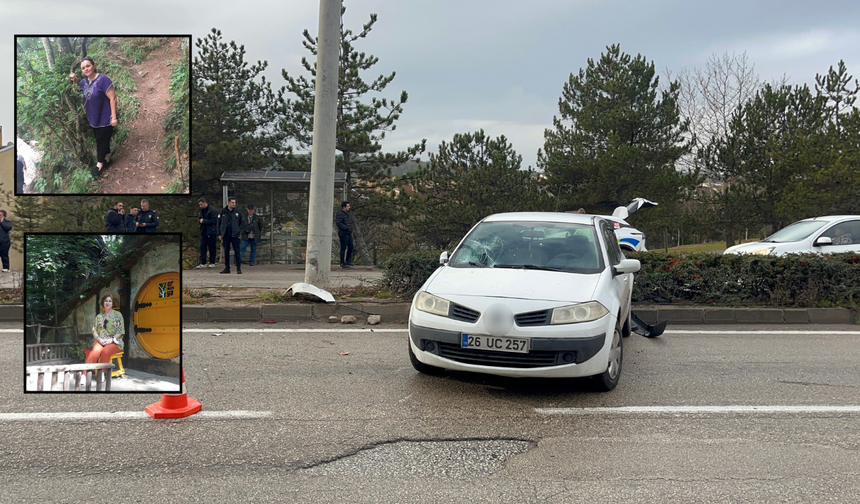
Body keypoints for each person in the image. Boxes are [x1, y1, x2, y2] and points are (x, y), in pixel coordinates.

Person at [69, 57, 117, 175]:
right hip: (93, 118)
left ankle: (99, 164)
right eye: (83, 68)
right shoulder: (84, 82)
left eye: (88, 66)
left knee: (100, 141)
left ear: (94, 66)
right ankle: (107, 159)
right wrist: (75, 80)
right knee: (101, 139)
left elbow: (113, 98)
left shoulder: (103, 80)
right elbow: (78, 91)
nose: (86, 69)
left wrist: (114, 117)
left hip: (105, 117)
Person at [84, 294, 124, 381]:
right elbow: (94, 330)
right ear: (103, 303)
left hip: (114, 341)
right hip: (101, 340)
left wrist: (111, 339)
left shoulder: (118, 315)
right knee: (95, 351)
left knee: (105, 351)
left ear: (112, 303)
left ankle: (101, 373)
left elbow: (120, 331)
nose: (108, 303)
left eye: (110, 301)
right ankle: (85, 373)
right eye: (106, 301)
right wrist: (99, 339)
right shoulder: (99, 316)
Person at [218, 197, 242, 274]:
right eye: (232, 202)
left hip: (235, 235)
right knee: (226, 251)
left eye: (235, 202)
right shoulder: (223, 211)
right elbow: (218, 223)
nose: (234, 204)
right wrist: (219, 233)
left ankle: (238, 268)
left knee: (237, 252)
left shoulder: (237, 212)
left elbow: (242, 222)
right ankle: (227, 268)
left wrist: (238, 230)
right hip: (226, 234)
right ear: (228, 203)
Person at [197, 197, 218, 269]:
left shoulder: (212, 210)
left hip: (211, 231)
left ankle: (212, 262)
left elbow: (214, 221)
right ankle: (203, 262)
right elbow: (200, 218)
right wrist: (200, 221)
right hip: (204, 231)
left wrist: (204, 221)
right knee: (203, 247)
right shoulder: (201, 210)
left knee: (212, 247)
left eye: (201, 204)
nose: (200, 206)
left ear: (205, 203)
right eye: (199, 205)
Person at [336, 201, 354, 269]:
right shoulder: (340, 214)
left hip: (348, 233)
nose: (349, 207)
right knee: (343, 248)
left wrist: (350, 228)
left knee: (351, 247)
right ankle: (342, 262)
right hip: (343, 233)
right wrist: (346, 228)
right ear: (344, 207)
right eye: (348, 206)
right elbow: (338, 223)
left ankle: (347, 261)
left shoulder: (347, 214)